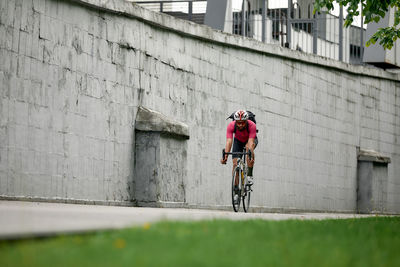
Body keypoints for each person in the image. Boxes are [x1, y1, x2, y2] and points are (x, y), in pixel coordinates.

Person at [220, 110, 257, 200]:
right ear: (235, 121)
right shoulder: (231, 125)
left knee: (248, 148)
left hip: (250, 139)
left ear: (246, 121)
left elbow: (251, 142)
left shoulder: (252, 125)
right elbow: (229, 141)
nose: (240, 125)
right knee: (235, 164)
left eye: (242, 123)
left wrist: (251, 154)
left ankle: (249, 174)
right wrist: (225, 157)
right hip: (238, 141)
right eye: (238, 123)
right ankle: (236, 190)